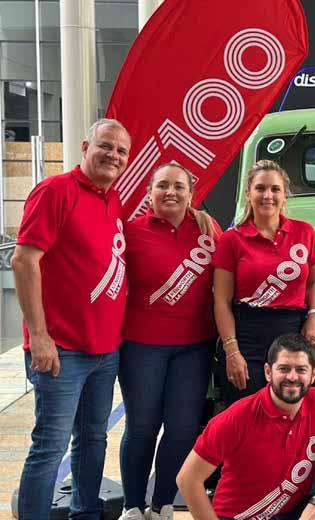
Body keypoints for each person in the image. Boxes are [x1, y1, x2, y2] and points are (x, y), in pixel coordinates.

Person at [12, 118, 131, 519]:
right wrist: (39, 336)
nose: (113, 155)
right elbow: (23, 260)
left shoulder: (112, 199)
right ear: (85, 147)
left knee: (93, 440)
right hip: (61, 350)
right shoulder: (55, 191)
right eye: (105, 146)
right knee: (50, 447)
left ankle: (85, 513)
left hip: (105, 351)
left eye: (121, 151)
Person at [176, 333, 315, 520]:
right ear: (268, 372)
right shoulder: (236, 417)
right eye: (283, 369)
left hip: (292, 512)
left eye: (301, 370)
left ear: (313, 374)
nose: (292, 377)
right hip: (240, 516)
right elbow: (187, 479)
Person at [118, 163, 221, 520]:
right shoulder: (131, 232)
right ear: (150, 193)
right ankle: (133, 505)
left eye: (179, 186)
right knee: (142, 427)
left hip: (194, 347)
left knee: (182, 429)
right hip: (141, 345)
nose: (170, 192)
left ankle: (162, 504)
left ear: (191, 194)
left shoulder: (208, 230)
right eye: (162, 185)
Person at [213, 159, 315, 406]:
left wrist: (314, 315)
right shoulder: (232, 240)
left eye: (275, 189)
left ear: (284, 196)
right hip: (247, 336)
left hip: (292, 334)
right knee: (246, 411)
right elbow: (221, 301)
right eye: (260, 188)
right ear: (248, 194)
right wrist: (232, 351)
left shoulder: (304, 232)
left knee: (289, 410)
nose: (268, 196)